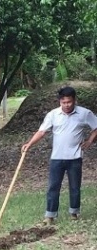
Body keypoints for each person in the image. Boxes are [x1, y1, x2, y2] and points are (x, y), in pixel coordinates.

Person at [22, 86, 97, 223]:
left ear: (74, 100)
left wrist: (90, 141)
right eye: (63, 102)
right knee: (53, 187)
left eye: (69, 102)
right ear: (59, 101)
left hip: (75, 158)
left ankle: (74, 213)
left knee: (75, 187)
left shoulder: (84, 113)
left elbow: (96, 127)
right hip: (56, 158)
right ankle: (50, 215)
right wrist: (29, 144)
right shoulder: (53, 115)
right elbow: (42, 132)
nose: (66, 105)